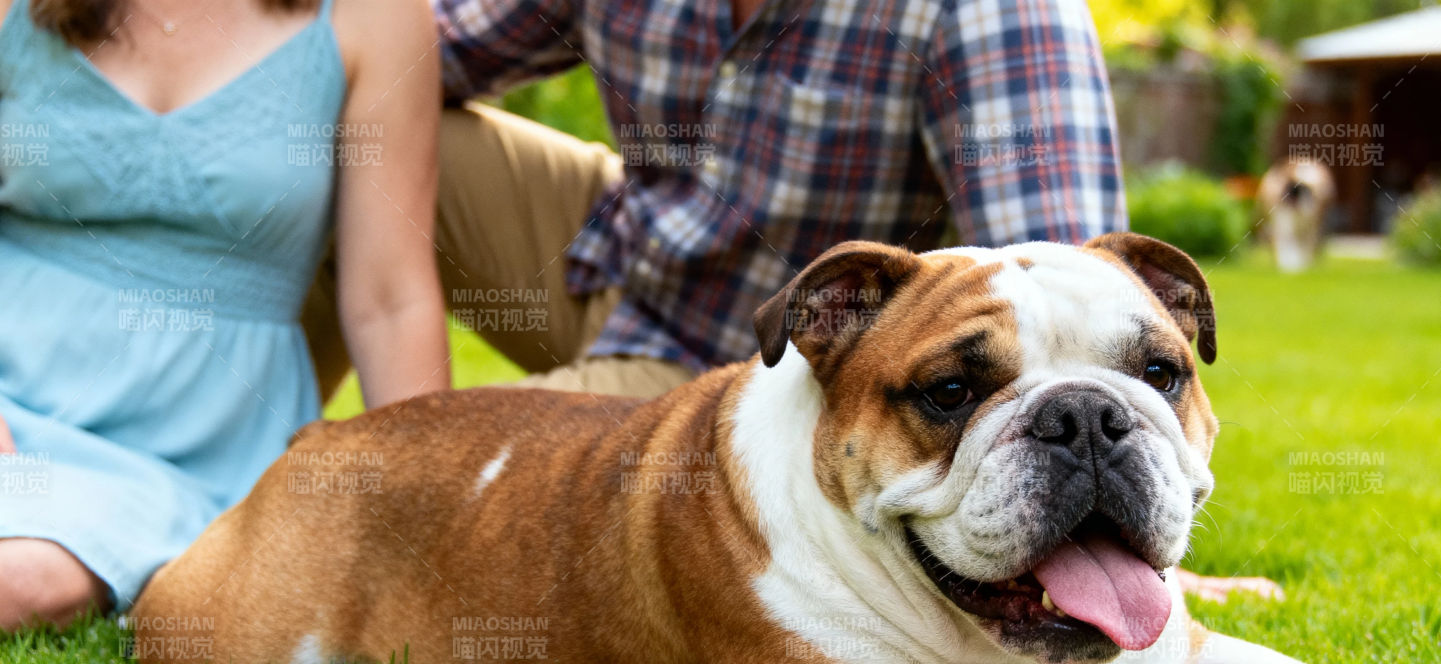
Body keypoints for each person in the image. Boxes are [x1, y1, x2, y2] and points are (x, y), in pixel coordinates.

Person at [300, 0, 1279, 603]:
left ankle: (348, 507)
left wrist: (1097, 516)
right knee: (330, 117)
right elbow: (401, 46)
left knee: (496, 510)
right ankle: (246, 450)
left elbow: (1063, 301)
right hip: (621, 249)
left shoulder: (988, 9)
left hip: (764, 364)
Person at [0, 0, 451, 629]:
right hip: (9, 393)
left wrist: (433, 517)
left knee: (22, 580)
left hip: (201, 447)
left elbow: (390, 300)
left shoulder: (376, 15)